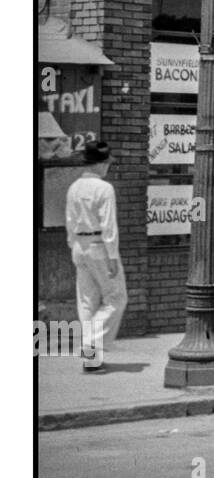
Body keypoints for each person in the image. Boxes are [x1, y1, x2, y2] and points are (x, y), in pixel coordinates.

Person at [65, 141, 127, 371]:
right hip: (100, 245)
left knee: (87, 301)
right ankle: (91, 346)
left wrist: (74, 245)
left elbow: (70, 221)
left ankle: (91, 358)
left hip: (80, 245)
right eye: (107, 163)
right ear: (101, 164)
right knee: (116, 298)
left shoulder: (74, 187)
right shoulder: (104, 188)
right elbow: (108, 225)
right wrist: (112, 255)